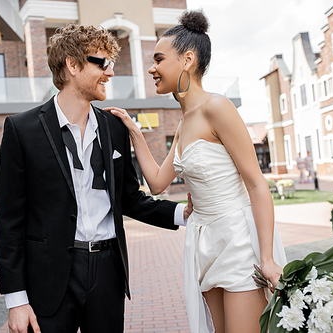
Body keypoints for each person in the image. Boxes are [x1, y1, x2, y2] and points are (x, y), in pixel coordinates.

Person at [0, 23, 191, 333]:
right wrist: (16, 299)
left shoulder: (114, 128)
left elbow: (130, 198)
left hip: (108, 272)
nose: (111, 73)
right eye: (102, 63)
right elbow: (9, 221)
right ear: (72, 65)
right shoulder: (22, 130)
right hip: (50, 279)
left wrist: (183, 213)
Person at [107, 10, 286, 333]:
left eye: (159, 59)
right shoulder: (183, 124)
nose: (152, 68)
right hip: (204, 245)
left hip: (238, 243)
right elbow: (158, 183)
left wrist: (269, 257)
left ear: (187, 59)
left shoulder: (217, 108)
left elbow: (257, 185)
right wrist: (134, 132)